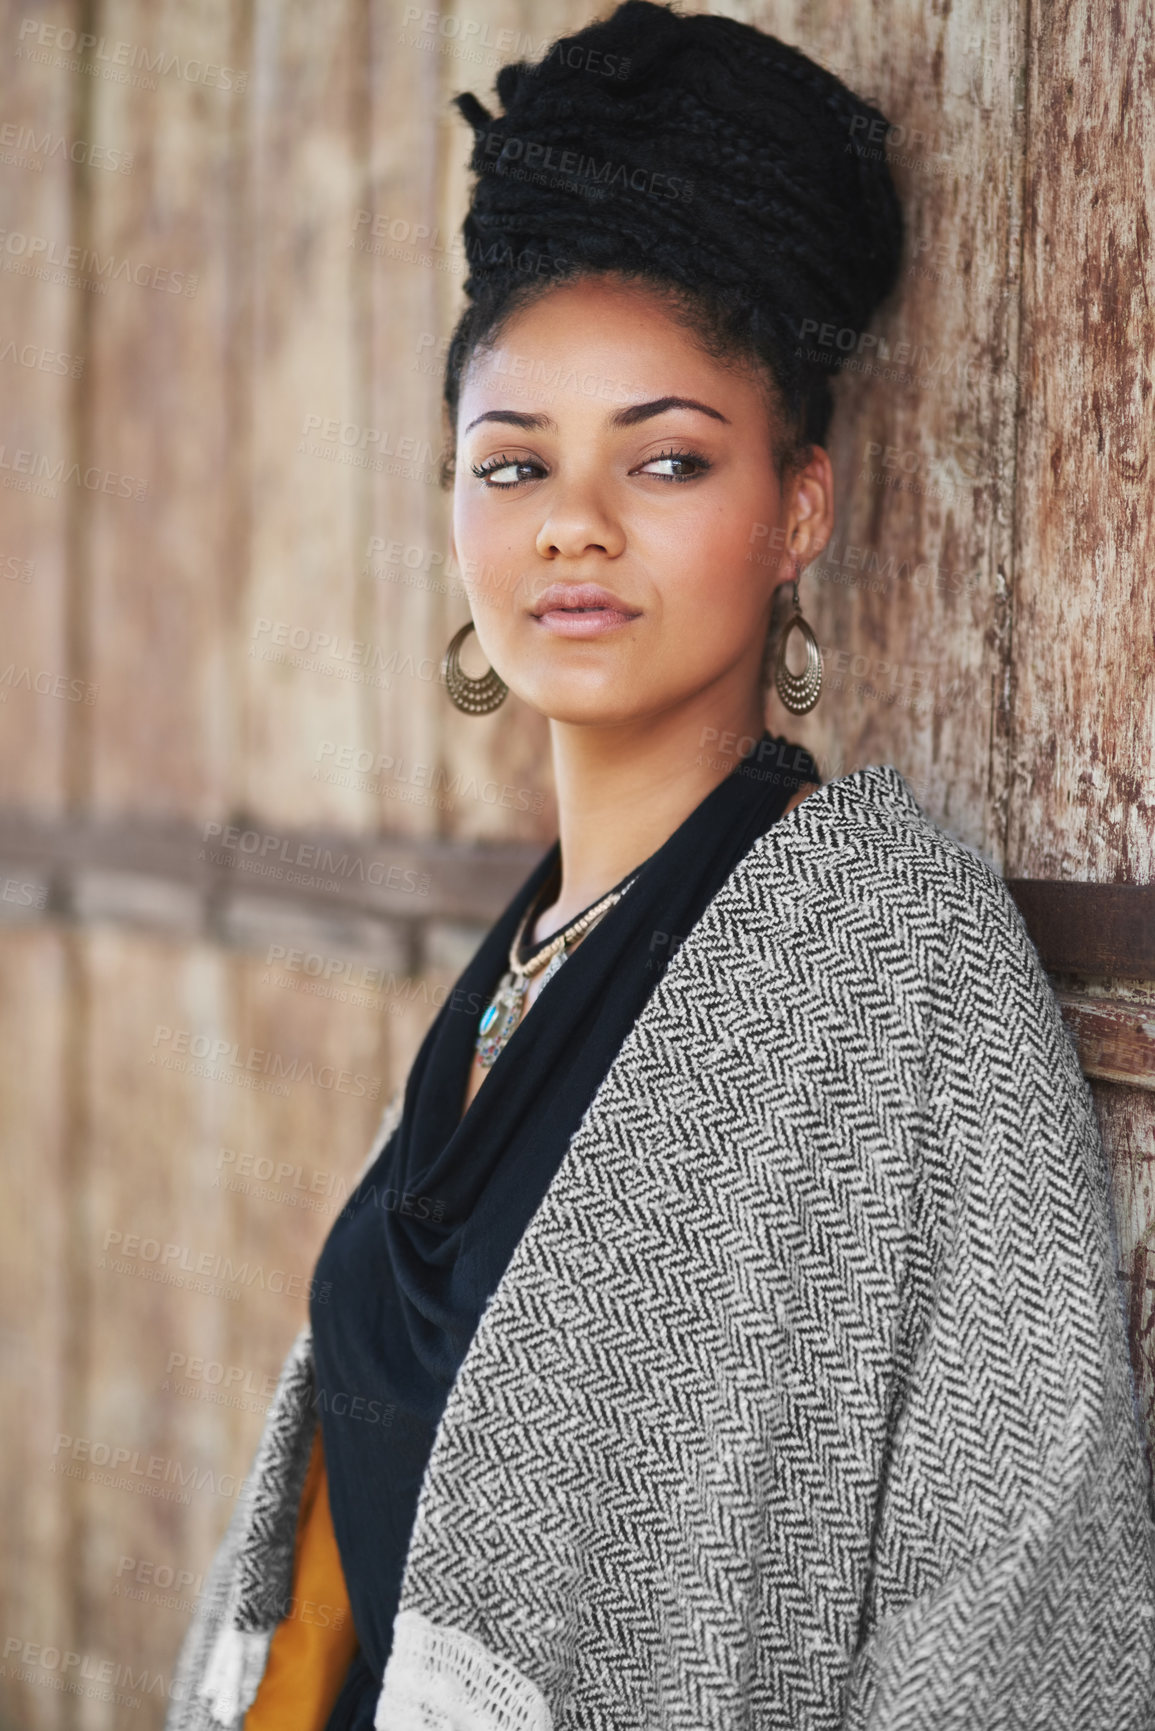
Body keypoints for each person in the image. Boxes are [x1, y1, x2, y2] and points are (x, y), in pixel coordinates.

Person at [167, 5, 1155, 1728]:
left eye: (670, 457)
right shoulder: (513, 970)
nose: (574, 521)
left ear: (802, 507)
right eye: (514, 462)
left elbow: (1022, 1597)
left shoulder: (896, 961)